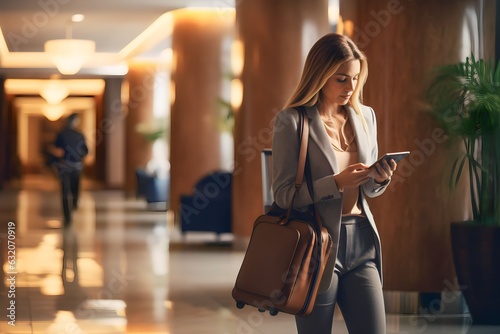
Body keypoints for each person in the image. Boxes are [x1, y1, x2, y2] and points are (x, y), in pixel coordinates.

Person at [272, 33, 397, 334]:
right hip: (316, 247)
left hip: (362, 241)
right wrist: (337, 182)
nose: (351, 87)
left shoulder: (365, 116)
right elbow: (283, 194)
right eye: (341, 79)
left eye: (355, 78)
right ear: (320, 75)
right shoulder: (292, 121)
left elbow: (368, 190)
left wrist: (379, 179)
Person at [52, 113, 88, 227]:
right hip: (75, 166)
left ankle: (67, 215)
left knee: (65, 191)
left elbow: (57, 150)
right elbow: (86, 151)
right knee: (74, 189)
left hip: (65, 166)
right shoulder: (79, 134)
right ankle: (73, 207)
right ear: (75, 122)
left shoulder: (61, 134)